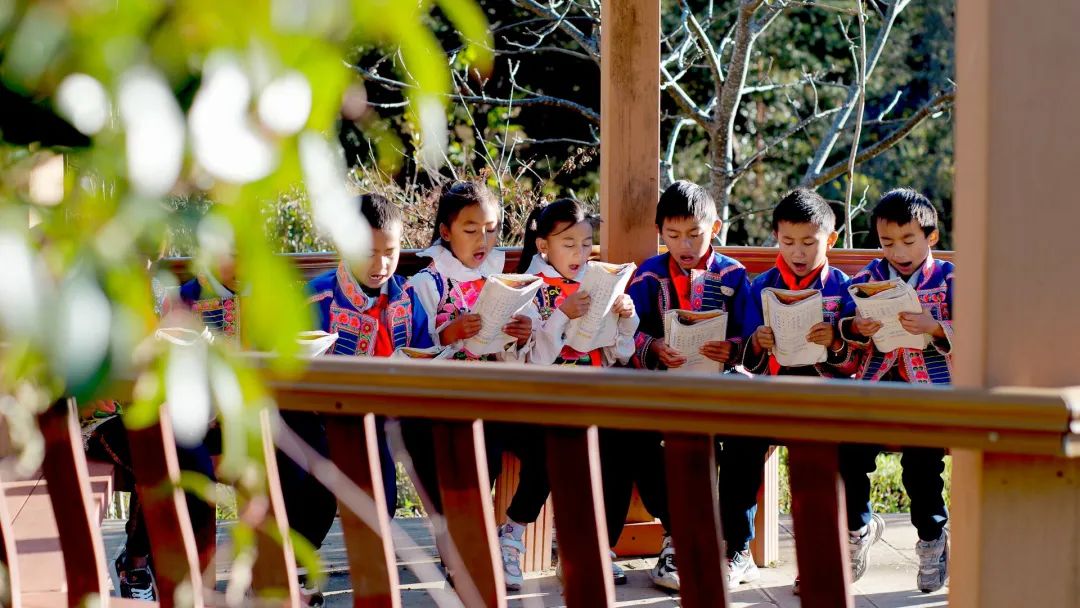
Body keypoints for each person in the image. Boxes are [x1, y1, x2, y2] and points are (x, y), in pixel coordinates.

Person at [621, 180, 759, 591]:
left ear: (714, 228)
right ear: (659, 231)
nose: (685, 245)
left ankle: (737, 546)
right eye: (674, 234)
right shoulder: (648, 276)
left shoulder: (733, 275)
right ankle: (675, 533)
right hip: (662, 386)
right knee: (637, 432)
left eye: (695, 234)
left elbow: (750, 335)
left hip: (721, 384)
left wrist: (732, 348)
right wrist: (653, 347)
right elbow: (628, 334)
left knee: (748, 432)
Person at [511, 198, 637, 589]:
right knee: (555, 446)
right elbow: (533, 360)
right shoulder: (528, 288)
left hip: (592, 395)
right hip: (542, 399)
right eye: (568, 244)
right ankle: (511, 536)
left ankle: (597, 548)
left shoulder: (595, 282)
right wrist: (563, 314)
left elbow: (619, 354)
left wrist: (626, 317)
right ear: (543, 245)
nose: (579, 254)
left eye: (586, 244)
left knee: (622, 442)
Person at [837, 188, 954, 593]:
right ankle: (858, 527)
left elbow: (977, 327)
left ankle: (931, 538)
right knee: (849, 451)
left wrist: (936, 327)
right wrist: (856, 327)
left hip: (930, 392)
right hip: (876, 386)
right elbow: (843, 326)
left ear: (931, 236)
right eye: (888, 242)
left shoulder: (950, 279)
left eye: (908, 240)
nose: (898, 252)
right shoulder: (867, 278)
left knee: (921, 465)